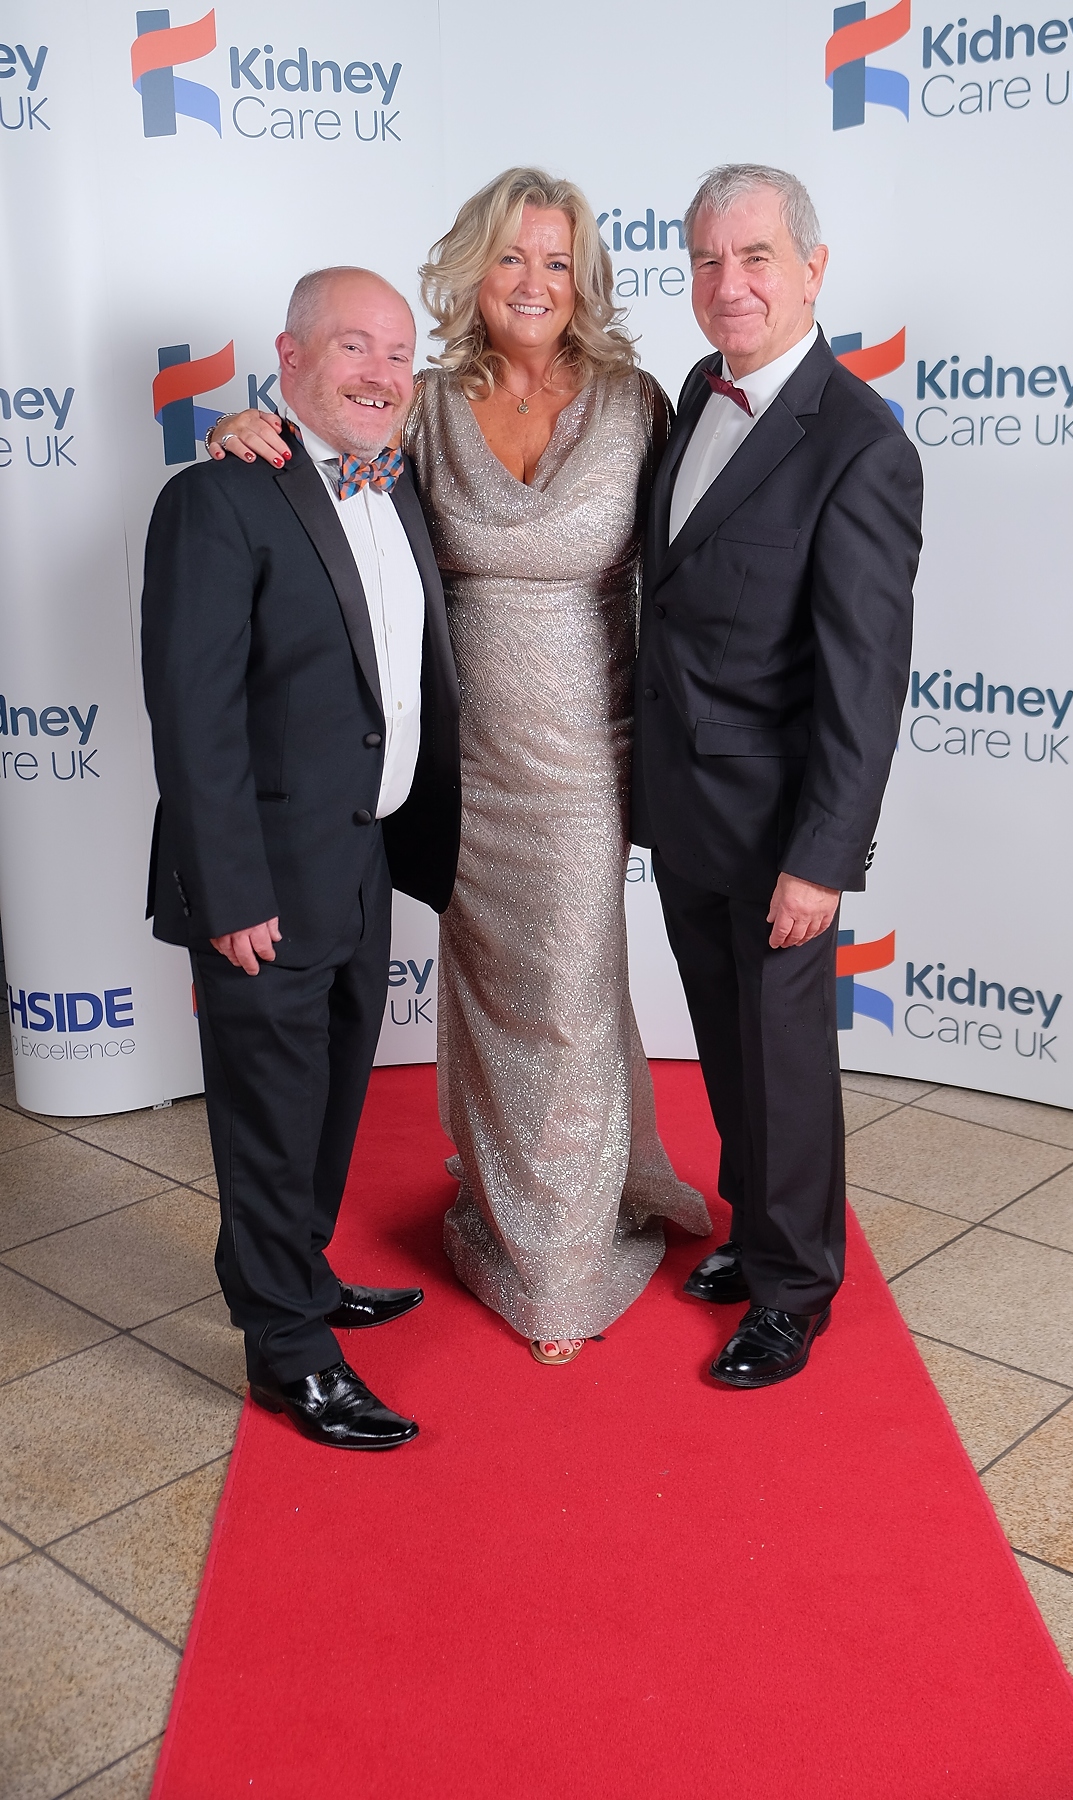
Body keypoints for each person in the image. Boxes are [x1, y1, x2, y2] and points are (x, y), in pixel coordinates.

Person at [209, 170, 710, 1365]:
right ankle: (509, 1208)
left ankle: (563, 1257)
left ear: (582, 278)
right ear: (473, 273)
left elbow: (696, 564)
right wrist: (239, 430)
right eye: (510, 259)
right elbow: (326, 499)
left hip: (590, 754)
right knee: (489, 1003)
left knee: (575, 995)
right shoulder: (420, 407)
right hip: (452, 759)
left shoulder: (637, 403)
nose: (533, 283)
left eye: (556, 261)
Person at [141, 267, 461, 1447]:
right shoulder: (217, 499)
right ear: (289, 356)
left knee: (327, 1104)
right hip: (263, 882)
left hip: (365, 862)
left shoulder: (401, 485)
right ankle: (288, 1349)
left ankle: (303, 1276)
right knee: (268, 1117)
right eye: (353, 348)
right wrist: (228, 891)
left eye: (397, 353)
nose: (380, 373)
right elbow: (193, 712)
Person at [632, 165, 922, 1389]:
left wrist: (822, 858)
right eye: (706, 260)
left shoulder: (859, 445)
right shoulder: (695, 394)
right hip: (687, 809)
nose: (728, 283)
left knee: (787, 1062)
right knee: (725, 1048)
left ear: (811, 271)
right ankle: (754, 1235)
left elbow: (864, 683)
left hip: (780, 835)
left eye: (754, 258)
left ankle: (795, 1290)